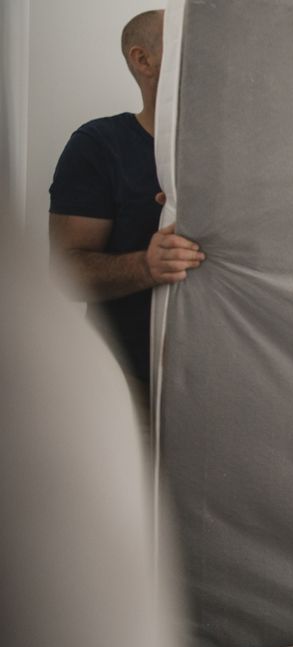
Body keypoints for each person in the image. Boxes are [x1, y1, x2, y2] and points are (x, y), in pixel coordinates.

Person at [48, 9, 203, 400]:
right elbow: (66, 273)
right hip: (125, 388)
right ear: (142, 59)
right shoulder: (99, 146)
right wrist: (147, 266)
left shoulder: (234, 152)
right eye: (186, 40)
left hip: (218, 391)